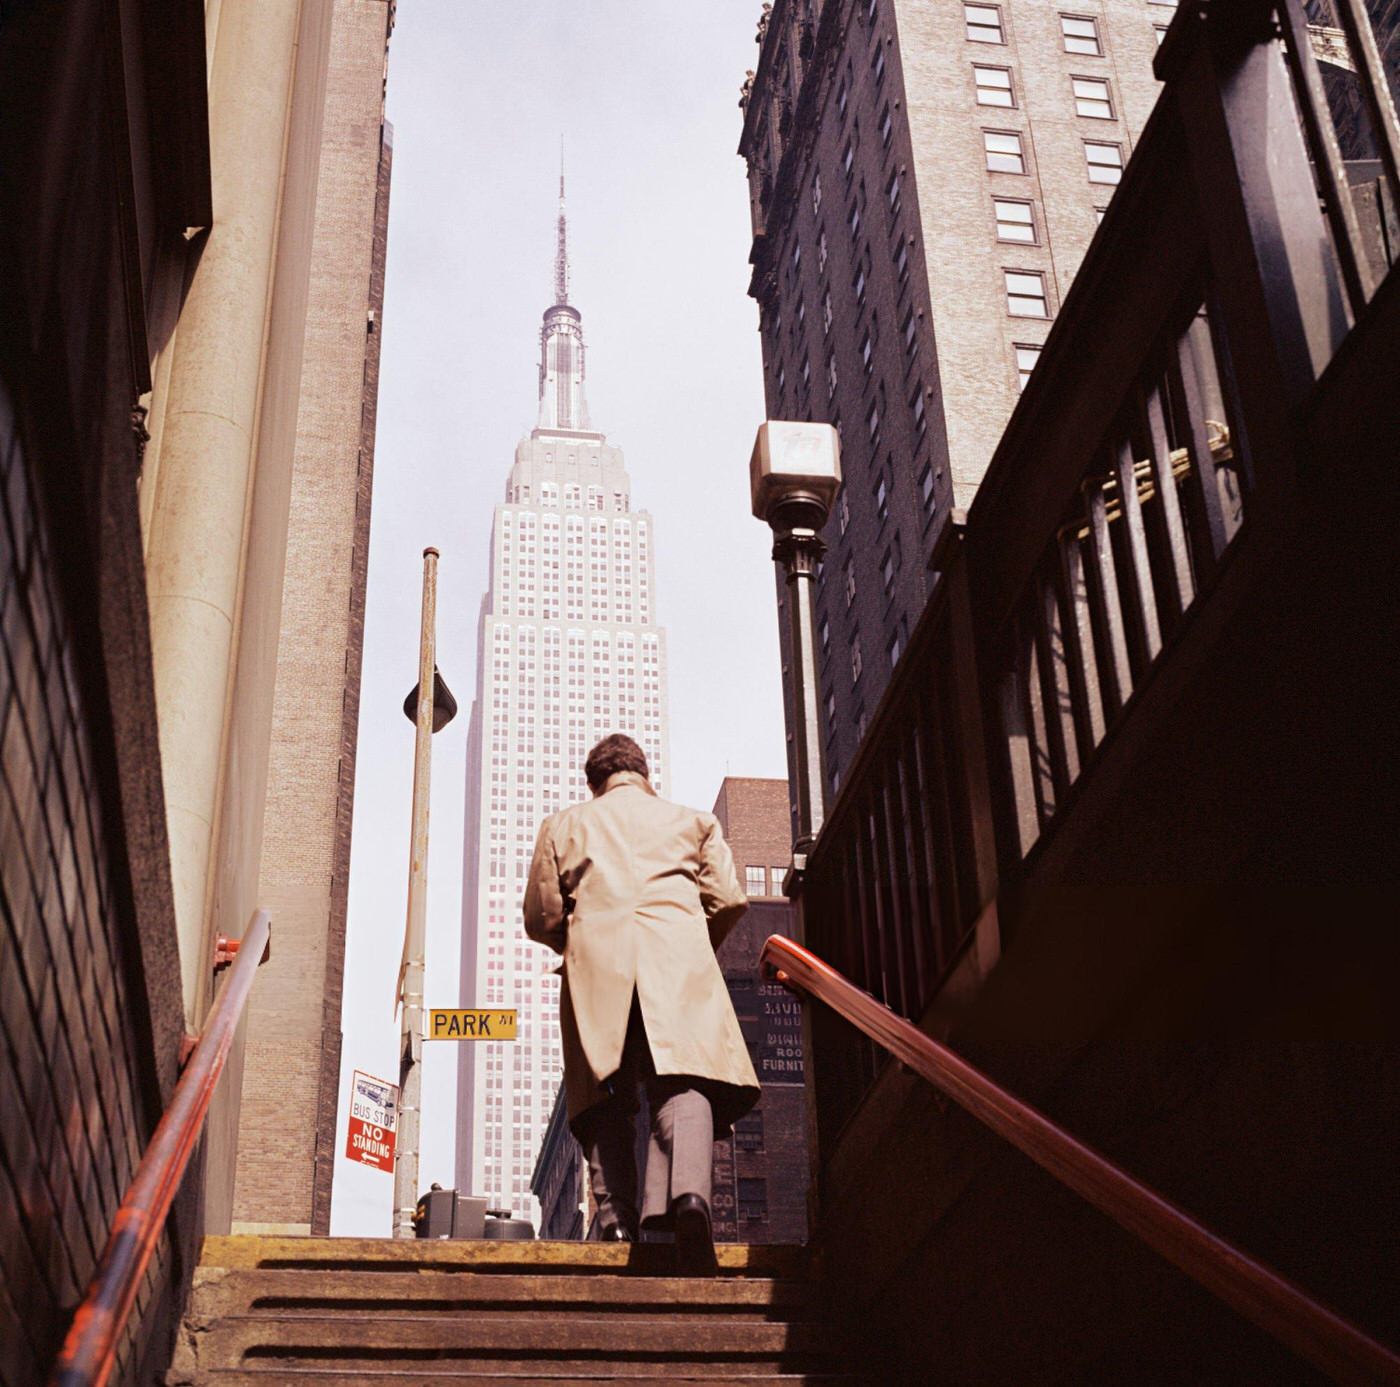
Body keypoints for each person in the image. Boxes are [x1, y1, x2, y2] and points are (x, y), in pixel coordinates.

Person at [524, 733, 759, 1273]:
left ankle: (619, 1220)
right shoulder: (694, 822)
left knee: (608, 1097)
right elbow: (729, 899)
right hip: (677, 964)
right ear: (644, 775)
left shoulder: (564, 826)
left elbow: (541, 917)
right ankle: (688, 1200)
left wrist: (577, 942)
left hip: (599, 972)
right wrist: (692, 944)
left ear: (595, 781)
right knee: (684, 1081)